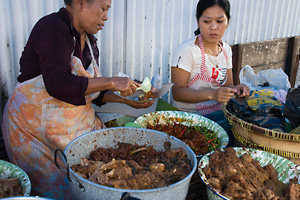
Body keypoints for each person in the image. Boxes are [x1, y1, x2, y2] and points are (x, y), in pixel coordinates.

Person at [1, 0, 153, 199]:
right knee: (61, 188)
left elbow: (88, 92)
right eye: (103, 8)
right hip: (34, 132)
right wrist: (110, 81)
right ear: (81, 2)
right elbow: (58, 83)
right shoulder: (52, 27)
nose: (106, 16)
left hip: (68, 128)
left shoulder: (89, 42)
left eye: (108, 10)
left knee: (100, 173)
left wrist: (127, 99)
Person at [171, 0, 250, 116]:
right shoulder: (186, 50)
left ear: (227, 22)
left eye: (220, 21)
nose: (214, 27)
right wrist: (212, 94)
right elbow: (177, 92)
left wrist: (237, 89)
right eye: (207, 21)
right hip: (187, 116)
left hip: (217, 113)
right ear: (198, 21)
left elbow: (227, 85)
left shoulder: (226, 50)